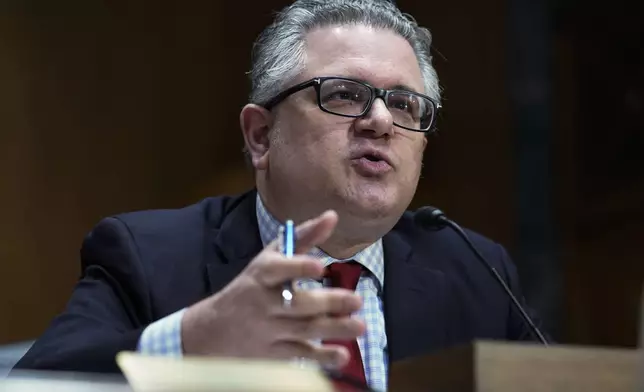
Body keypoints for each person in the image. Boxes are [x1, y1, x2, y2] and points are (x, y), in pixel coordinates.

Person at [14, 0, 545, 390]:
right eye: (344, 95)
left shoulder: (476, 271)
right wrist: (194, 339)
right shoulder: (148, 255)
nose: (381, 121)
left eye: (405, 104)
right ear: (261, 136)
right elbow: (38, 385)